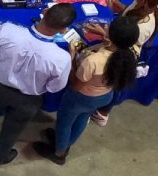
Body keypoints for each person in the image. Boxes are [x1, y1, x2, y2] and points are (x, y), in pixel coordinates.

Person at [0, 3, 76, 166]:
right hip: (28, 99)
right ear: (63, 30)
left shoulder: (7, 30)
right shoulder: (62, 58)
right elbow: (55, 88)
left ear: (44, 12)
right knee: (12, 130)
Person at [33, 16, 139, 165]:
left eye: (109, 27)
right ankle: (66, 142)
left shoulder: (93, 61)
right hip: (104, 95)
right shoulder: (128, 55)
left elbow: (76, 84)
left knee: (64, 123)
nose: (106, 27)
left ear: (112, 34)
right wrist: (105, 36)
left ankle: (59, 153)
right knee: (82, 119)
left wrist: (71, 57)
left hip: (81, 97)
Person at [87, 0, 158, 126]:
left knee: (115, 83)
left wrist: (103, 33)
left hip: (124, 54)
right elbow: (129, 12)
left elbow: (122, 42)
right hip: (122, 44)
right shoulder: (140, 5)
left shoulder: (142, 25)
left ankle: (102, 113)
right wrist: (117, 4)